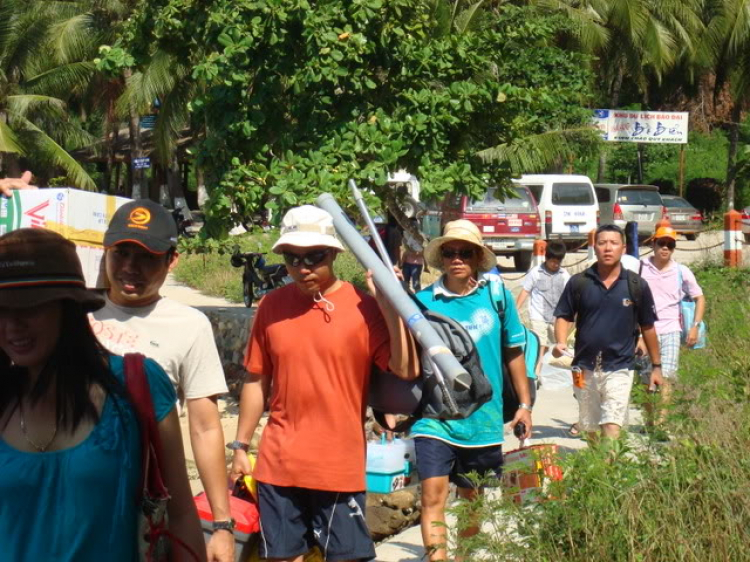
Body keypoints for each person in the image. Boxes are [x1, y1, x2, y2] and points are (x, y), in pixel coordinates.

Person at [0, 228, 205, 561]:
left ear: (69, 309)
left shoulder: (137, 384)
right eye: (2, 310)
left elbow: (181, 515)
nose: (12, 325)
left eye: (30, 308)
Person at [229, 205, 418, 562]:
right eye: (292, 258)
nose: (303, 268)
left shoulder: (363, 306)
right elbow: (256, 379)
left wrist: (387, 302)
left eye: (314, 257)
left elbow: (405, 369)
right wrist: (240, 446)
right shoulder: (271, 306)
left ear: (333, 253)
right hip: (277, 462)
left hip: (338, 466)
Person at [89, 199, 235, 562]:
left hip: (146, 509)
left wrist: (221, 525)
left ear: (172, 260)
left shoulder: (189, 325)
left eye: (147, 257)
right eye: (121, 253)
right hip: (77, 498)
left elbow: (205, 427)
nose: (129, 268)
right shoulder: (74, 312)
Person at [414, 220, 532, 561]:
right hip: (435, 417)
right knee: (432, 497)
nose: (457, 258)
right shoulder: (422, 302)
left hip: (484, 419)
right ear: (441, 258)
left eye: (465, 252)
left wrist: (524, 403)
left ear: (478, 257)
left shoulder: (497, 297)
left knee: (472, 503)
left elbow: (514, 350)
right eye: (450, 252)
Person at [553, 224, 663, 441]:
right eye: (602, 243)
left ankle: (610, 467)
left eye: (613, 243)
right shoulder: (580, 282)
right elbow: (564, 315)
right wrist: (560, 341)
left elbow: (648, 326)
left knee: (612, 425)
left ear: (623, 248)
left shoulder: (635, 285)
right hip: (582, 368)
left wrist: (657, 367)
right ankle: (600, 471)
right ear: (595, 247)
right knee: (590, 428)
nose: (607, 248)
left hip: (620, 366)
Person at [637, 226, 705, 426]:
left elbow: (699, 297)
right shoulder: (640, 267)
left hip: (671, 330)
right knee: (645, 378)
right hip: (645, 331)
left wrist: (695, 326)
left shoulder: (681, 271)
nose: (665, 248)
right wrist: (636, 333)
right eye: (661, 243)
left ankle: (661, 422)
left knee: (667, 377)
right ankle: (649, 421)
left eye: (670, 245)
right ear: (653, 245)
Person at [515, 241, 570, 376]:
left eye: (558, 262)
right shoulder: (536, 272)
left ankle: (540, 365)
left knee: (554, 346)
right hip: (538, 314)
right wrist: (516, 309)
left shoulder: (564, 275)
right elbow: (525, 291)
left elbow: (570, 295)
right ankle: (536, 373)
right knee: (540, 343)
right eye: (553, 261)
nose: (555, 265)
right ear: (546, 258)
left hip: (556, 317)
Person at [400, 217, 426, 292]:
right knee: (405, 283)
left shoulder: (421, 236)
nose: (412, 226)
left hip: (417, 264)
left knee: (416, 284)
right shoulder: (406, 235)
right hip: (406, 263)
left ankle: (418, 300)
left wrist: (416, 253)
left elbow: (424, 250)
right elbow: (405, 249)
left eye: (414, 224)